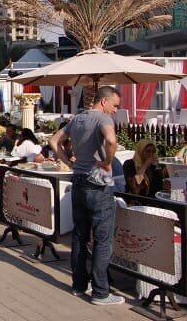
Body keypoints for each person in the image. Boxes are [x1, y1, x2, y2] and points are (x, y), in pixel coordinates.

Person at [49, 86, 124, 305]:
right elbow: (111, 140)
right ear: (104, 101)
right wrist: (108, 162)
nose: (115, 110)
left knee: (80, 235)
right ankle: (100, 292)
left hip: (79, 180)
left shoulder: (77, 119)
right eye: (115, 105)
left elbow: (53, 141)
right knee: (102, 239)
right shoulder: (103, 119)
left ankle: (79, 285)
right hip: (98, 183)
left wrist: (67, 161)